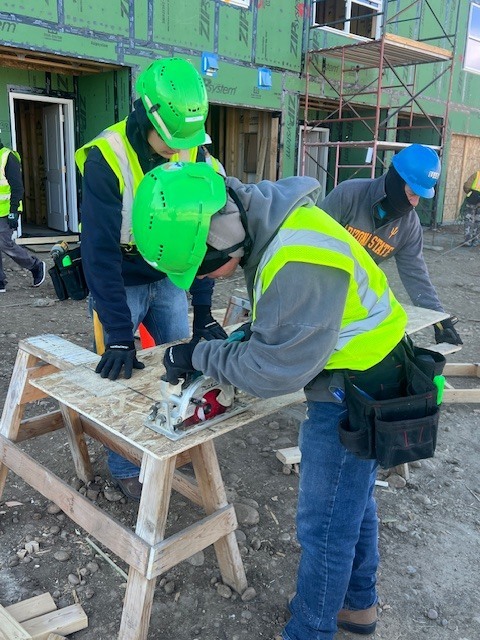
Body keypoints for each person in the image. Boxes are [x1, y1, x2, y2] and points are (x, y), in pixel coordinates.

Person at [132, 160, 411, 639]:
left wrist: (201, 352)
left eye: (201, 266)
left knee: (324, 523)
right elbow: (279, 326)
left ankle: (310, 630)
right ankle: (357, 605)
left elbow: (272, 369)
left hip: (358, 384)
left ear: (223, 234)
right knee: (352, 501)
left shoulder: (298, 256)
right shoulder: (274, 224)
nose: (205, 279)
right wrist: (225, 347)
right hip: (371, 366)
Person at [75, 57, 227, 500]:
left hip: (169, 275)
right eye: (171, 138)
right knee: (120, 376)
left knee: (185, 363)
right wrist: (120, 334)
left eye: (187, 139)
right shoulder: (108, 157)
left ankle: (175, 447)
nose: (179, 148)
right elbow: (98, 251)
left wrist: (203, 311)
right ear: (145, 114)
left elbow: (205, 235)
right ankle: (126, 465)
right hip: (119, 274)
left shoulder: (193, 149)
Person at [319, 143, 463, 347]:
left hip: (355, 295)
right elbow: (311, 237)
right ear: (397, 180)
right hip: (319, 283)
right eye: (412, 193)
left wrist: (439, 319)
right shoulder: (348, 195)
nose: (414, 203)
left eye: (419, 196)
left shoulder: (410, 226)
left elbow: (416, 274)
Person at [0, 135, 45, 293]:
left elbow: (17, 187)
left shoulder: (7, 157)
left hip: (6, 212)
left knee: (4, 243)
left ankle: (35, 265)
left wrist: (13, 211)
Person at [461, 169, 480, 247]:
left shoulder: (477, 174)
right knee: (478, 221)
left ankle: (467, 240)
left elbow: (467, 186)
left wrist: (470, 193)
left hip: (472, 199)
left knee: (469, 219)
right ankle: (476, 240)